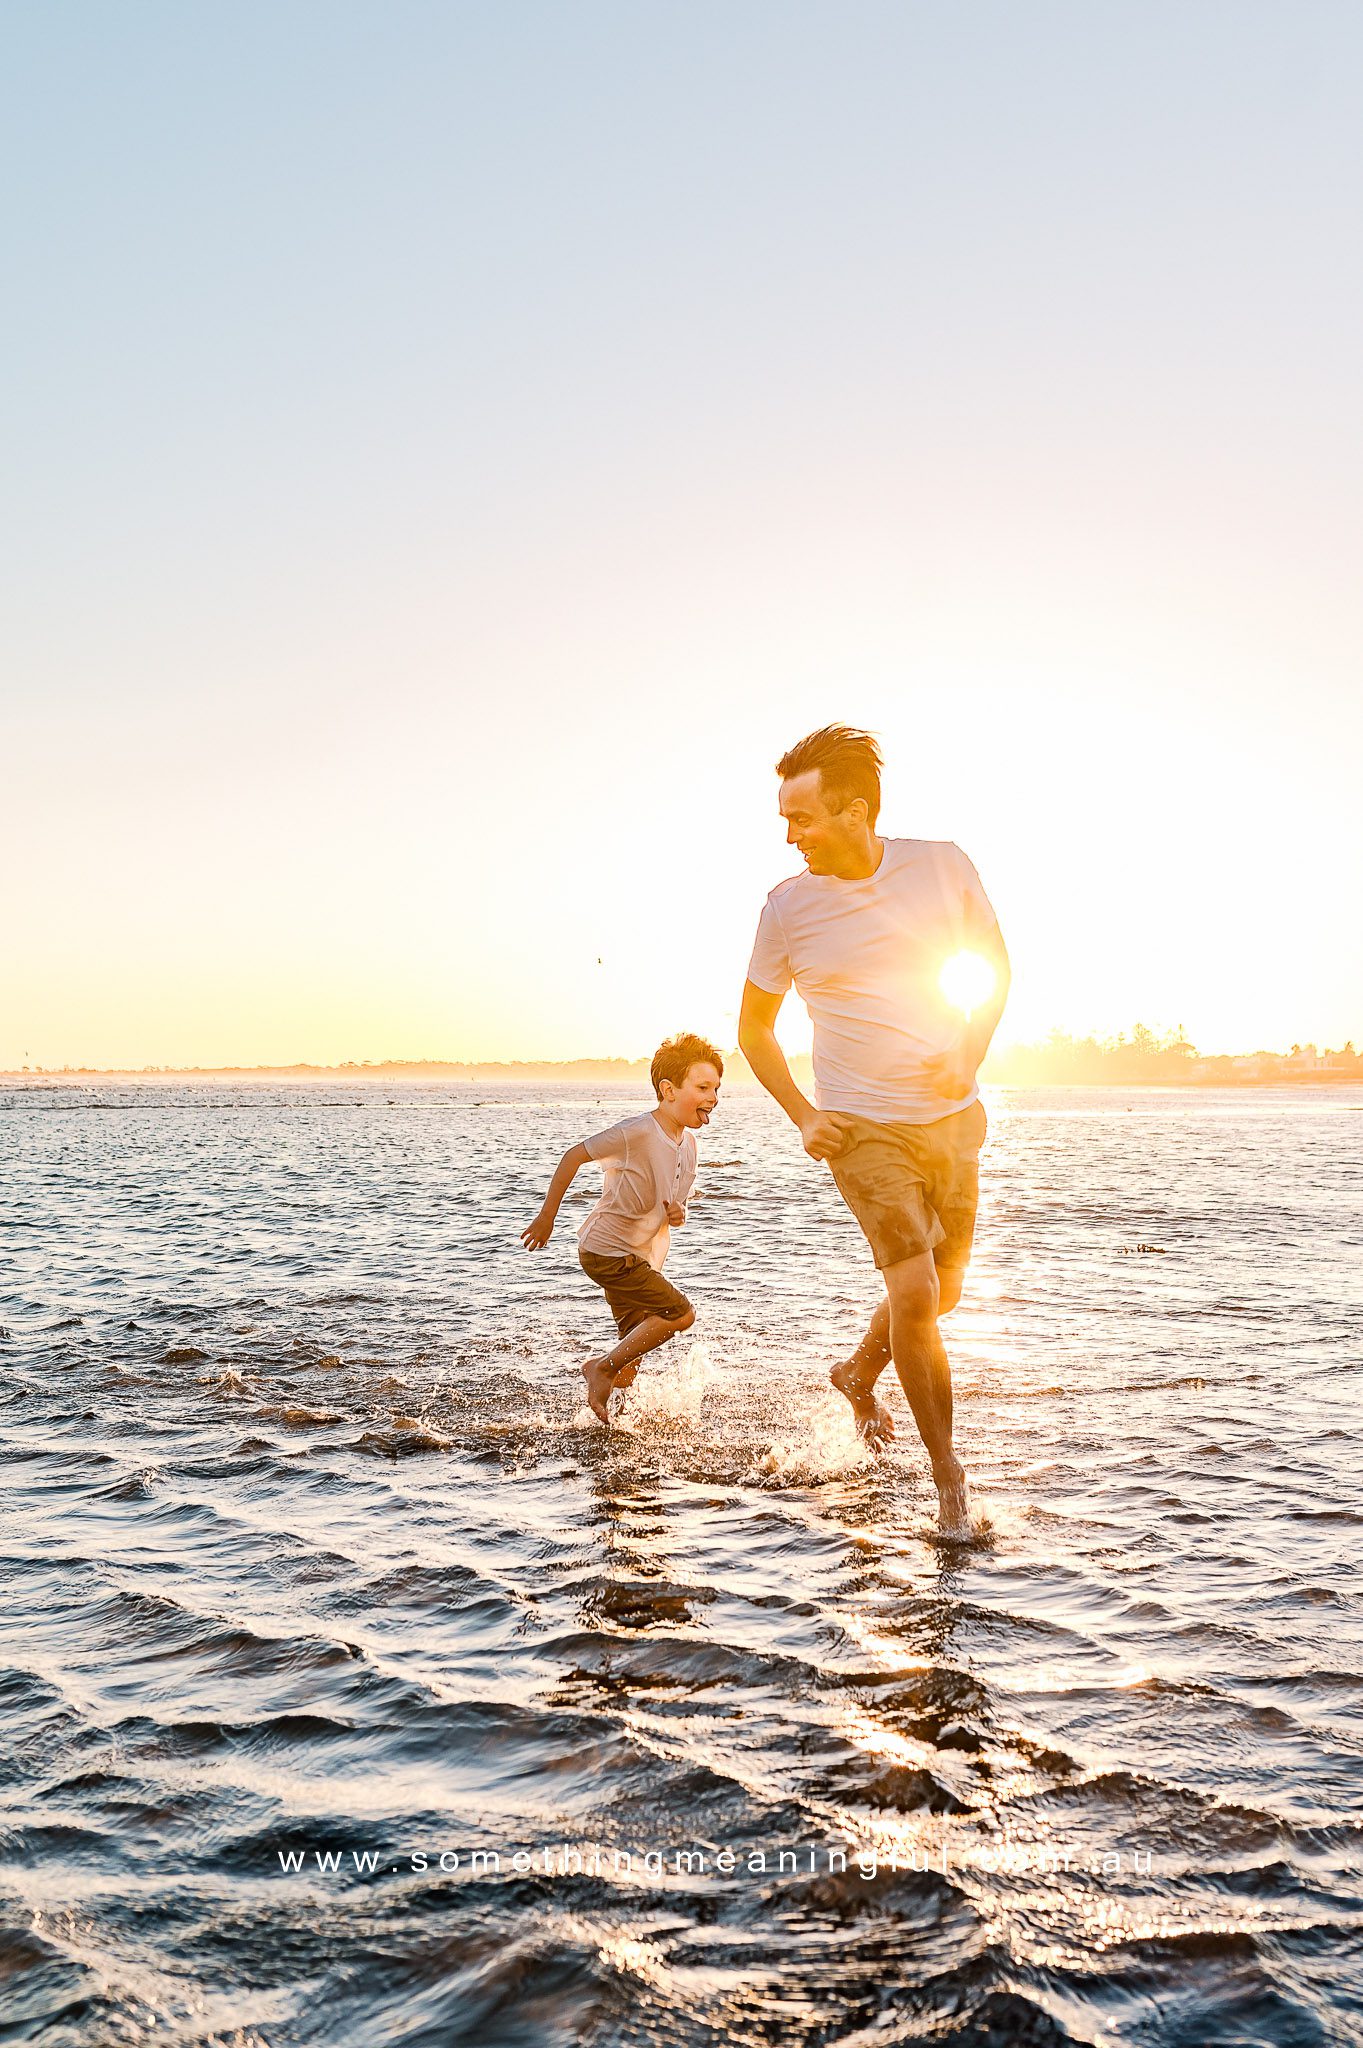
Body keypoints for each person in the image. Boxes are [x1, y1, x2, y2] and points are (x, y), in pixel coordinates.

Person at [737, 725, 1010, 1538]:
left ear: (856, 813)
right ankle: (948, 1483)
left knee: (942, 1294)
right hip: (859, 1130)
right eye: (784, 819)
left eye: (803, 818)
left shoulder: (942, 865)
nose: (790, 836)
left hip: (951, 1122)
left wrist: (965, 1053)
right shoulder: (786, 908)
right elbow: (754, 1031)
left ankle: (858, 1374)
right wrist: (805, 1114)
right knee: (917, 1294)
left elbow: (992, 969)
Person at [521, 1033, 722, 1424]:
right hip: (606, 1252)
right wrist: (547, 1217)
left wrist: (677, 1212)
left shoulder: (688, 1144)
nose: (713, 1096)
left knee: (633, 1347)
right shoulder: (638, 1132)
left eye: (716, 1088)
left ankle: (614, 1420)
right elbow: (573, 1156)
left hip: (635, 1255)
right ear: (668, 1090)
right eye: (702, 1087)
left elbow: (670, 1201)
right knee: (680, 1314)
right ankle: (600, 1369)